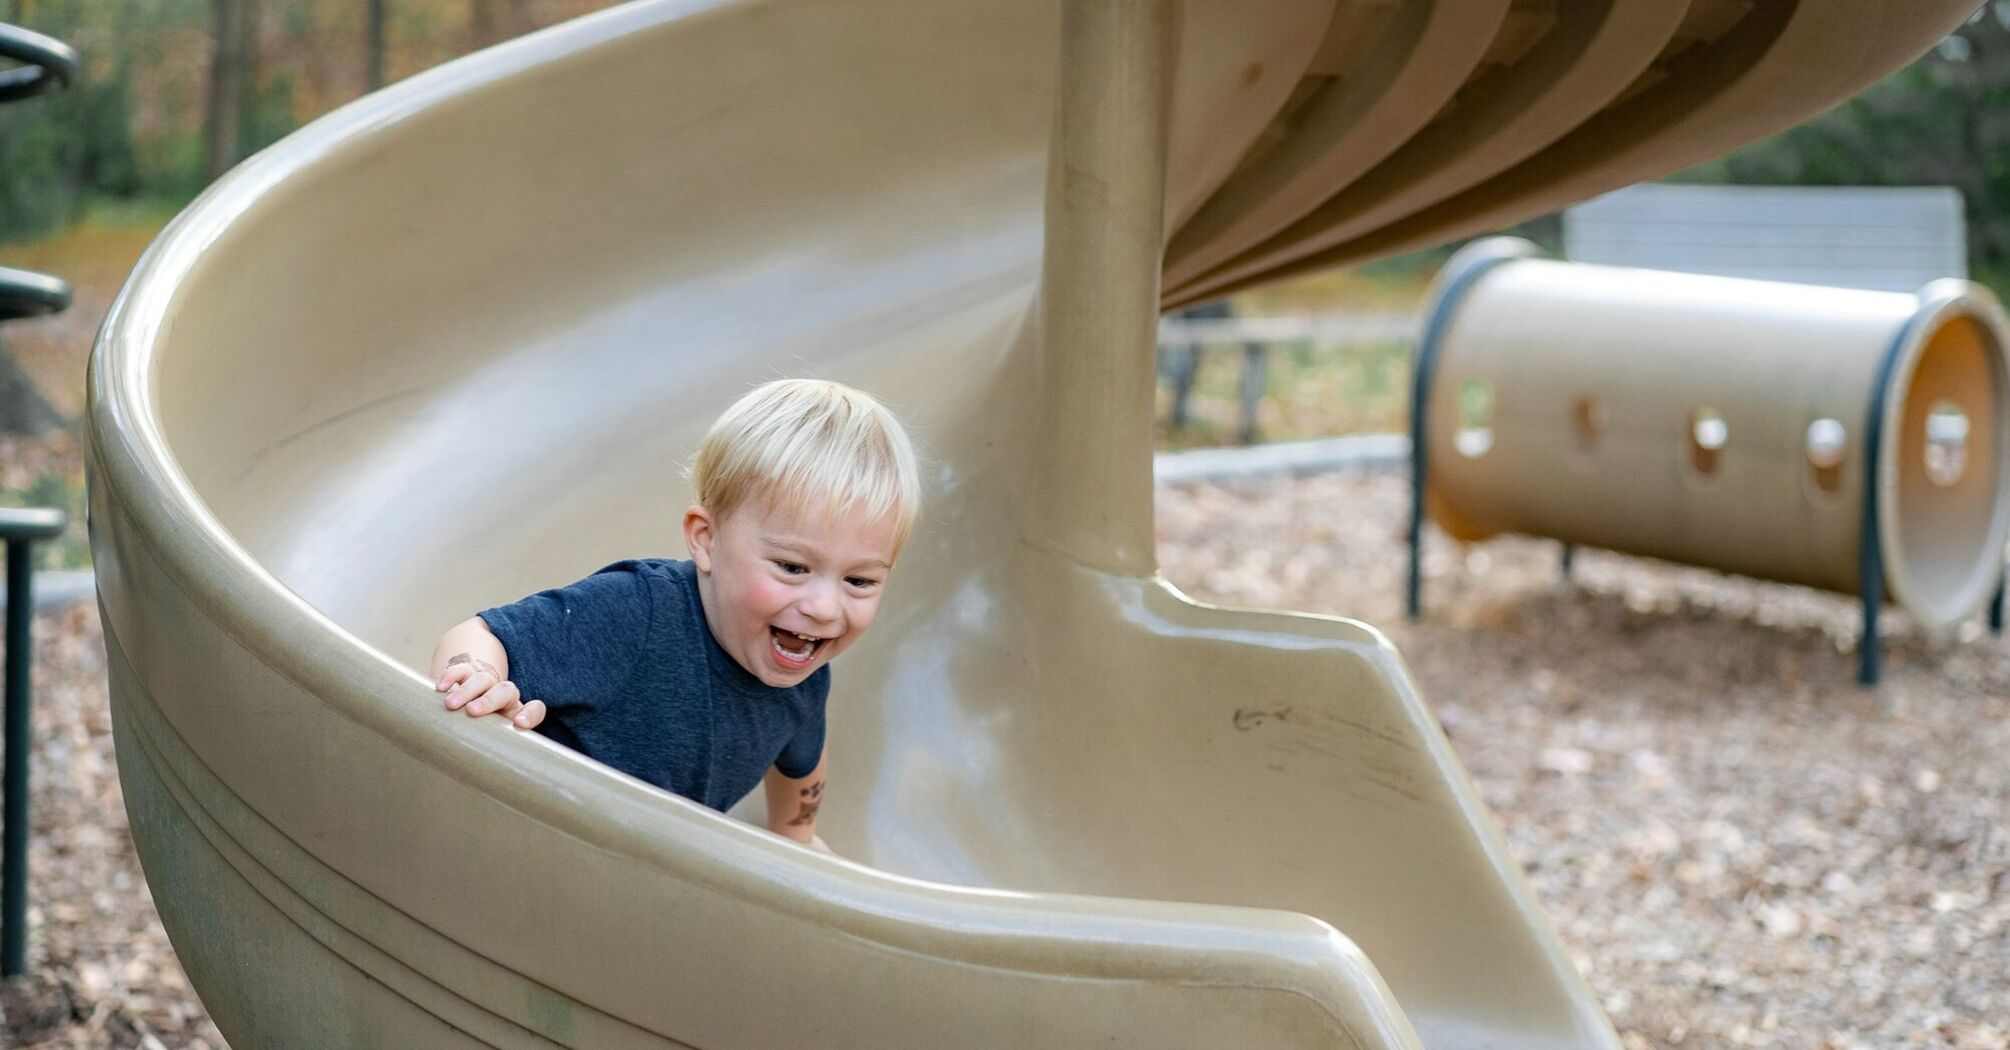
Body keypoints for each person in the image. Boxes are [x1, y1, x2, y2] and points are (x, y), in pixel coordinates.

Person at [427, 378, 919, 853]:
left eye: (859, 581)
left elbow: (801, 761)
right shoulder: (636, 612)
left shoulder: (804, 670)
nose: (824, 608)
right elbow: (478, 634)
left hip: (643, 870)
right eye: (792, 567)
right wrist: (476, 675)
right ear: (706, 539)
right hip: (528, 839)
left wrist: (797, 840)